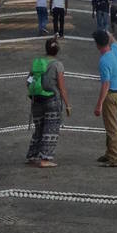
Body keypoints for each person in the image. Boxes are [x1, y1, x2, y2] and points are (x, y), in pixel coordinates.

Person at [25, 38, 72, 168]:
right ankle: (45, 158)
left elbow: (28, 82)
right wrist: (67, 104)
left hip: (36, 100)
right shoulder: (58, 65)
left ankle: (32, 156)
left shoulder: (37, 63)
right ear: (57, 50)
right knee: (50, 129)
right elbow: (62, 88)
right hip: (52, 100)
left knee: (39, 129)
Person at [93, 30, 117, 168]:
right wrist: (107, 33)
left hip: (110, 94)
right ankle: (110, 153)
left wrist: (99, 104)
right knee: (109, 124)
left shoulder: (104, 60)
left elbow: (106, 84)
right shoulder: (114, 52)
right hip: (116, 93)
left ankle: (115, 157)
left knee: (111, 127)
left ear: (97, 45)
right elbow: (114, 40)